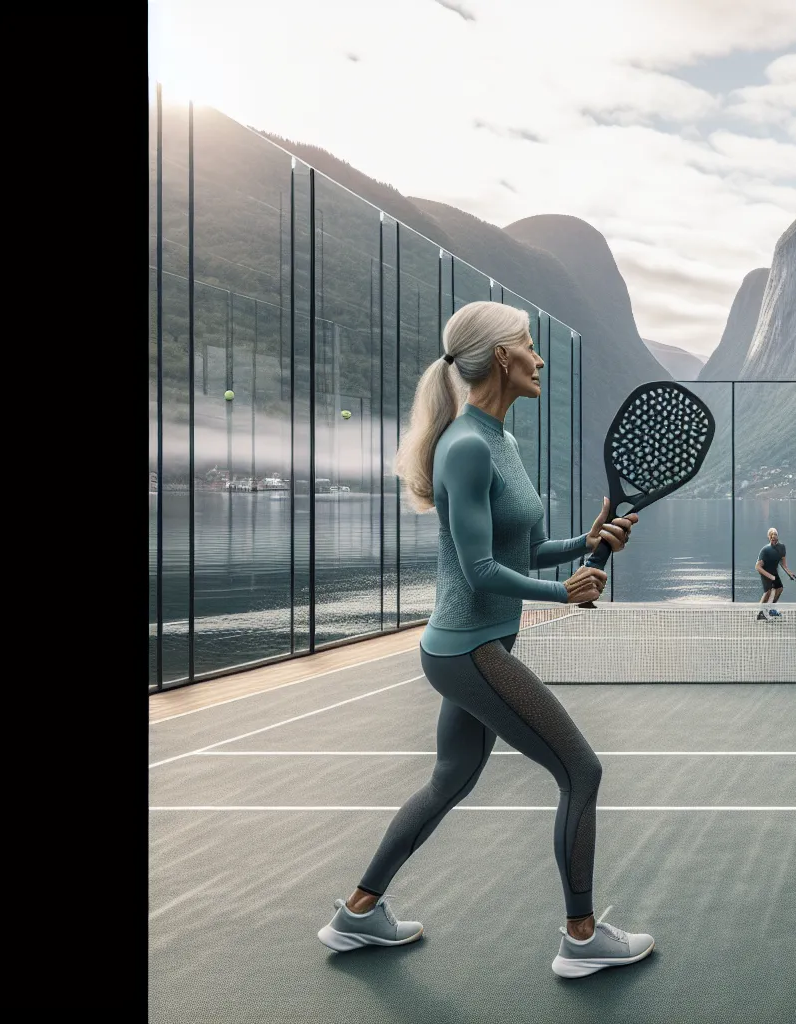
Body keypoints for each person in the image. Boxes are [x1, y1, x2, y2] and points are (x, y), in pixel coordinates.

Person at [316, 301, 655, 979]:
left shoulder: (501, 441)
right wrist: (567, 593)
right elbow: (478, 571)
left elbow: (523, 551)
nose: (538, 356)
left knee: (450, 780)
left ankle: (357, 913)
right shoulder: (467, 446)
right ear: (502, 356)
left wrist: (585, 544)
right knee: (581, 772)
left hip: (475, 647)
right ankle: (582, 939)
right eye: (529, 344)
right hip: (469, 650)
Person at [755, 527, 791, 620]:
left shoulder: (782, 548)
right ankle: (760, 613)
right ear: (769, 537)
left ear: (777, 536)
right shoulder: (765, 550)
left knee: (779, 589)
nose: (773, 537)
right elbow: (758, 567)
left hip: (774, 572)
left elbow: (783, 565)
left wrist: (790, 574)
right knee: (768, 592)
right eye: (771, 536)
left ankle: (770, 609)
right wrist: (769, 576)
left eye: (775, 535)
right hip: (765, 572)